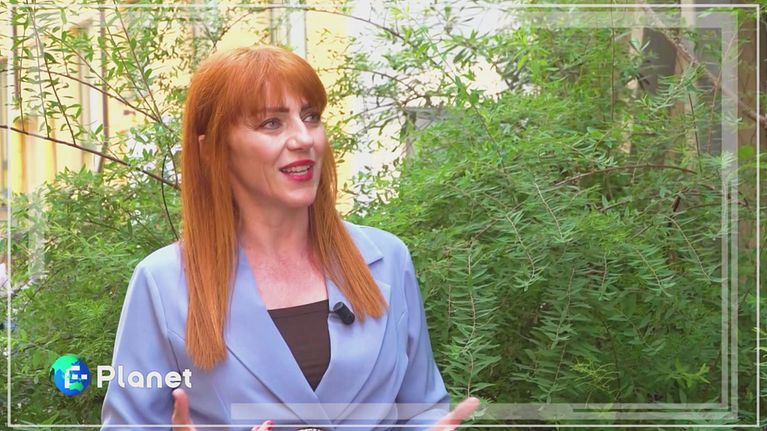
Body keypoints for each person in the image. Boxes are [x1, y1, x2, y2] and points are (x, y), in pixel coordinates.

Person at [100, 45, 479, 431]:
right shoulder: (162, 283)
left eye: (311, 117)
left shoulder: (388, 259)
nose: (303, 138)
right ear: (213, 149)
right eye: (271, 123)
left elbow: (421, 410)